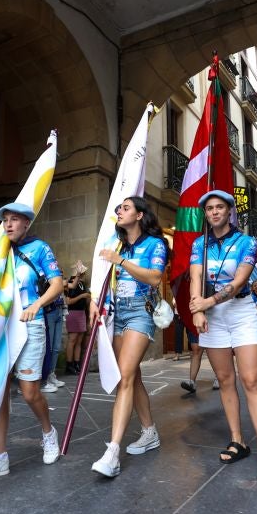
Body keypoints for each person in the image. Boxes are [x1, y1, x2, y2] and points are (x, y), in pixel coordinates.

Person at [0, 203, 64, 481]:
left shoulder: (40, 248)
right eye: (5, 220)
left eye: (14, 220)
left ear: (26, 224)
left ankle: (48, 432)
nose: (8, 224)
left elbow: (57, 283)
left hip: (30, 324)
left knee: (30, 392)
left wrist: (38, 304)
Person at [188, 190, 257, 472]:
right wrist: (199, 309)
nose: (214, 212)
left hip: (241, 313)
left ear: (229, 212)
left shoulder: (247, 242)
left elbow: (239, 283)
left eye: (220, 207)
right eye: (209, 208)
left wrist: (208, 302)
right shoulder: (199, 244)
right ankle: (237, 440)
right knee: (225, 379)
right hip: (212, 317)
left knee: (250, 379)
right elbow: (196, 277)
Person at [88, 197, 167, 478]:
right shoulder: (118, 244)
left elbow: (155, 278)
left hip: (140, 313)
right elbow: (109, 280)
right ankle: (149, 432)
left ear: (140, 214)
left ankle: (113, 453)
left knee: (125, 377)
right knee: (132, 378)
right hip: (117, 315)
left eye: (124, 208)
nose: (118, 212)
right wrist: (95, 300)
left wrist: (120, 260)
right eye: (118, 208)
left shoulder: (155, 244)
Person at [40, 272, 66, 393]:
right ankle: (43, 377)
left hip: (59, 310)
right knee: (48, 347)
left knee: (56, 348)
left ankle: (51, 374)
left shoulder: (56, 276)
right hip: (49, 311)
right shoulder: (44, 277)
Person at [64, 261, 90, 375]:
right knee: (72, 339)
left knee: (79, 340)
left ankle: (76, 363)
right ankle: (69, 364)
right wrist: (82, 296)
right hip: (73, 312)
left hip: (81, 313)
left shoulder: (82, 284)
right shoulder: (70, 283)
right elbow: (68, 301)